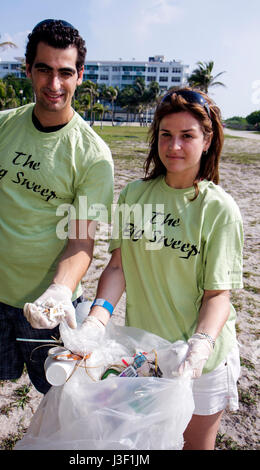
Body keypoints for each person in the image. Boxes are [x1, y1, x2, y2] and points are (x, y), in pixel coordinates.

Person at [0, 19, 113, 450]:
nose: (55, 82)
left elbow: (82, 240)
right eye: (44, 69)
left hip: (51, 310)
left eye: (66, 71)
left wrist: (60, 292)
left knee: (64, 399)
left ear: (80, 76)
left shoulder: (92, 154)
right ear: (28, 69)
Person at [66, 87, 243, 450]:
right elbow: (118, 268)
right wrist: (97, 320)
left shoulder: (219, 209)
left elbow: (218, 295)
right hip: (146, 354)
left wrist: (201, 346)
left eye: (187, 136)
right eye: (166, 135)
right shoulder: (134, 195)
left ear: (207, 141)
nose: (173, 146)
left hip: (199, 363)